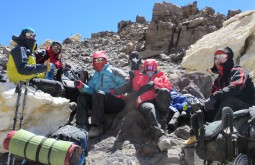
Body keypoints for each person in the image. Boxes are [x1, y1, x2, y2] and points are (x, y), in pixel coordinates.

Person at [74, 51, 127, 138]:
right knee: (82, 97)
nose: (98, 61)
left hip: (116, 102)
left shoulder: (114, 71)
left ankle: (97, 126)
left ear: (105, 60)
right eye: (96, 59)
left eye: (101, 59)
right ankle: (81, 125)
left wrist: (115, 91)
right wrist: (81, 86)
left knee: (98, 94)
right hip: (100, 101)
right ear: (93, 61)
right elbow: (91, 90)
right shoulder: (94, 75)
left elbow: (126, 83)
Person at [130, 58, 172, 151]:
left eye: (152, 67)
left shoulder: (161, 76)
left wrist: (155, 85)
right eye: (147, 67)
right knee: (151, 108)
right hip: (145, 102)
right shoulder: (140, 76)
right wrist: (135, 70)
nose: (150, 70)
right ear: (144, 67)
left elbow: (168, 87)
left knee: (164, 92)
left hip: (158, 100)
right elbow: (135, 88)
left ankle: (163, 119)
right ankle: (160, 136)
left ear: (155, 67)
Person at [203, 47, 254, 122]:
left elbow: (236, 86)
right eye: (216, 57)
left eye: (222, 56)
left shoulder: (238, 71)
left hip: (247, 105)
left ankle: (217, 129)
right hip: (230, 106)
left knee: (228, 100)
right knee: (206, 107)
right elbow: (213, 95)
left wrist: (216, 96)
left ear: (229, 58)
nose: (218, 59)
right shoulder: (219, 79)